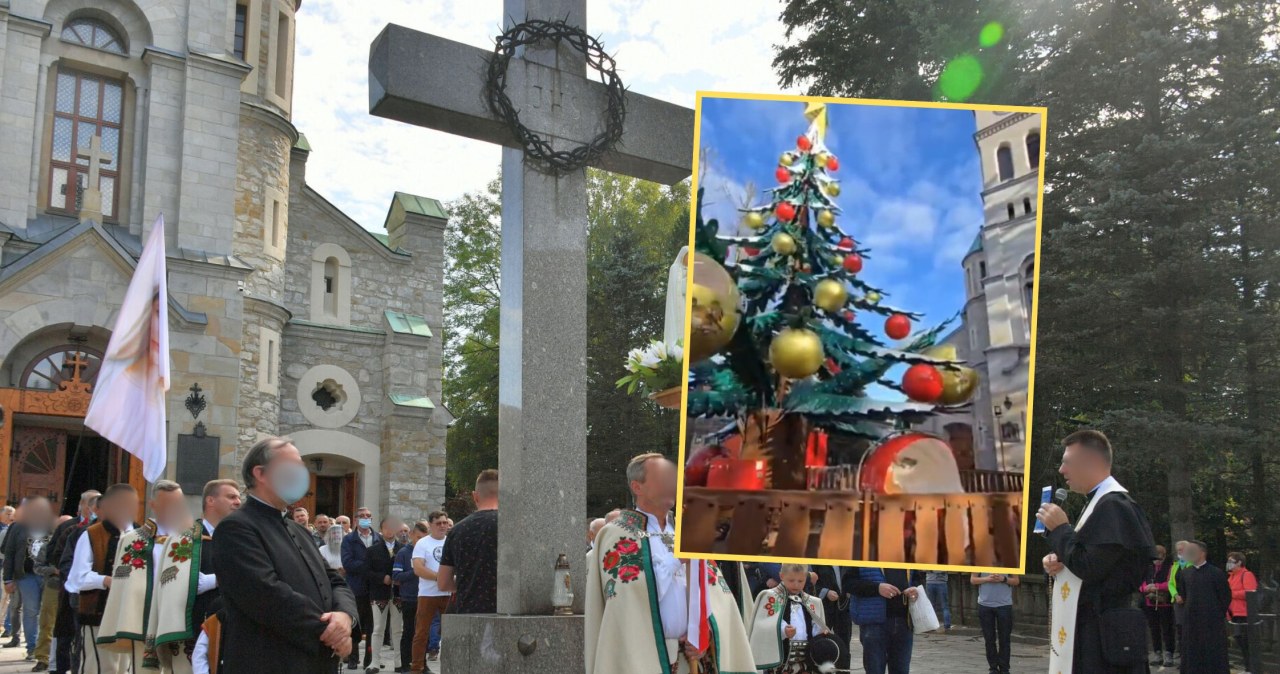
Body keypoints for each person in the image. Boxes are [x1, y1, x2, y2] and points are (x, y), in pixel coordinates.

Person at [585, 454, 754, 674]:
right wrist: (676, 560)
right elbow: (628, 600)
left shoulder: (688, 531)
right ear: (638, 487)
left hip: (694, 660)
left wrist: (705, 633)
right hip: (644, 661)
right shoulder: (616, 534)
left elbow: (716, 594)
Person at [212, 436, 357, 673]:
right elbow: (265, 594)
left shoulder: (299, 530)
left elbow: (333, 580)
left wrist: (344, 616)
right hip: (270, 661)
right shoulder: (236, 528)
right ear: (260, 473)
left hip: (316, 662)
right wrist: (331, 633)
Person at [1038, 429, 1156, 674]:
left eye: (1067, 462)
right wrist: (1060, 559)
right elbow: (1095, 558)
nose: (1061, 470)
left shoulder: (1113, 505)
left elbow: (1091, 567)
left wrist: (1061, 530)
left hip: (1104, 632)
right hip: (1095, 627)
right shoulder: (1098, 504)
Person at [66, 483, 139, 674]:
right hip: (98, 613)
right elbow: (77, 578)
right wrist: (107, 581)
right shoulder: (91, 534)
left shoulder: (142, 536)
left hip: (131, 615)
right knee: (98, 667)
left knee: (126, 668)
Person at [45, 490, 99, 674]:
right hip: (72, 591)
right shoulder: (70, 528)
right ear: (85, 506)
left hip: (99, 592)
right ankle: (59, 668)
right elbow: (56, 554)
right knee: (68, 635)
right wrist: (74, 577)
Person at [747, 563, 830, 673]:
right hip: (780, 662)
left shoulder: (812, 602)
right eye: (791, 580)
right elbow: (765, 622)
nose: (796, 585)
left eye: (800, 581)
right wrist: (783, 630)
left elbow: (816, 625)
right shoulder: (771, 597)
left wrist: (820, 633)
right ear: (781, 576)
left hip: (806, 661)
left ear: (806, 578)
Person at [437, 472, 498, 616]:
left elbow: (443, 582)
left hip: (469, 611)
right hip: (508, 612)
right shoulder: (514, 526)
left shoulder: (457, 530)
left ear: (475, 496)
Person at [3, 496, 54, 664]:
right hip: (26, 575)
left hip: (47, 575)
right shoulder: (17, 527)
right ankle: (32, 647)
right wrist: (8, 579)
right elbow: (9, 553)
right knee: (31, 610)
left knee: (45, 612)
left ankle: (43, 648)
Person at [848, 567, 924, 674]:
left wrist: (915, 589)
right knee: (875, 669)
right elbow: (848, 583)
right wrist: (877, 588)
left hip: (904, 622)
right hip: (874, 624)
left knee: (901, 670)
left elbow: (917, 578)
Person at [1176, 540, 1230, 674]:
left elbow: (1225, 596)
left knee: (1213, 652)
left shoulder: (1216, 573)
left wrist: (1216, 613)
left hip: (1212, 620)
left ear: (1202, 552)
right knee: (1192, 651)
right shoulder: (1185, 573)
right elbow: (1183, 594)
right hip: (1191, 620)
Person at [410, 512, 450, 674]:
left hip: (449, 593)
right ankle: (417, 667)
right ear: (431, 525)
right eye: (438, 523)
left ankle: (451, 665)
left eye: (444, 523)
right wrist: (440, 578)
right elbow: (418, 568)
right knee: (421, 632)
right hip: (428, 593)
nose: (442, 526)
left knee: (451, 632)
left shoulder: (451, 542)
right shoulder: (422, 543)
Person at [366, 516, 404, 673]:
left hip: (398, 594)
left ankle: (399, 662)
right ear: (381, 530)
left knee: (398, 629)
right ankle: (374, 662)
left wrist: (400, 579)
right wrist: (382, 578)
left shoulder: (403, 548)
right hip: (379, 593)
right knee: (378, 628)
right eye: (386, 527)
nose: (390, 530)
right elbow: (366, 572)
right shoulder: (372, 550)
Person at [342, 506, 377, 670]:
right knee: (355, 625)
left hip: (374, 589)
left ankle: (370, 659)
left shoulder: (378, 538)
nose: (366, 518)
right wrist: (368, 567)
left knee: (372, 627)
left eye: (368, 516)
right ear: (355, 519)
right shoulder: (349, 539)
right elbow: (348, 563)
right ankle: (353, 658)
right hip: (356, 588)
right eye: (362, 516)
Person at [393, 520, 428, 674]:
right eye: (419, 538)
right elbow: (396, 575)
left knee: (423, 632)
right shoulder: (403, 553)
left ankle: (422, 664)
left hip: (426, 596)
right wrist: (415, 571)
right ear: (412, 535)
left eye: (424, 538)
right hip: (409, 598)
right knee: (409, 632)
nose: (421, 541)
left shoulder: (427, 550)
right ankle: (406, 664)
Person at [971, 572, 1018, 674]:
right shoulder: (980, 560)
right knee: (989, 639)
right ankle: (993, 668)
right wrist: (987, 579)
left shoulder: (1009, 560)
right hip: (985, 604)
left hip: (1004, 605)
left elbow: (1016, 581)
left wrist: (1003, 579)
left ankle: (1004, 668)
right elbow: (973, 579)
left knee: (1005, 639)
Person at [1140, 544, 1176, 668]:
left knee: (1167, 628)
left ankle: (1169, 652)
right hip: (1150, 602)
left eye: (1158, 557)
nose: (1156, 560)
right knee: (1153, 628)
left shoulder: (1169, 567)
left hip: (1164, 602)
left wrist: (1157, 586)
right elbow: (1141, 583)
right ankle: (1157, 652)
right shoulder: (1148, 568)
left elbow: (1170, 583)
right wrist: (1145, 588)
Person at [812, 565, 853, 671]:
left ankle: (844, 670)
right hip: (822, 607)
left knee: (844, 644)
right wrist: (825, 592)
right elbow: (808, 583)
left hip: (843, 605)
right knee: (819, 642)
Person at [1225, 551, 1257, 673]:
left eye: (1231, 561)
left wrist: (1231, 594)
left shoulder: (1246, 574)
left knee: (1245, 641)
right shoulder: (1231, 576)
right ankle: (1248, 666)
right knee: (1240, 640)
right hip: (1234, 613)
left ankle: (1251, 667)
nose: (1228, 564)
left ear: (1239, 562)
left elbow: (1250, 592)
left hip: (1244, 613)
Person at [1168, 539, 1191, 661]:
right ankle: (1183, 657)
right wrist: (1175, 595)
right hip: (1178, 602)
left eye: (1182, 550)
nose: (1180, 552)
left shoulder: (1193, 564)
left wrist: (1185, 596)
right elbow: (1171, 583)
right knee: (1180, 629)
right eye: (1178, 550)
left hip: (1190, 601)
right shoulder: (1175, 566)